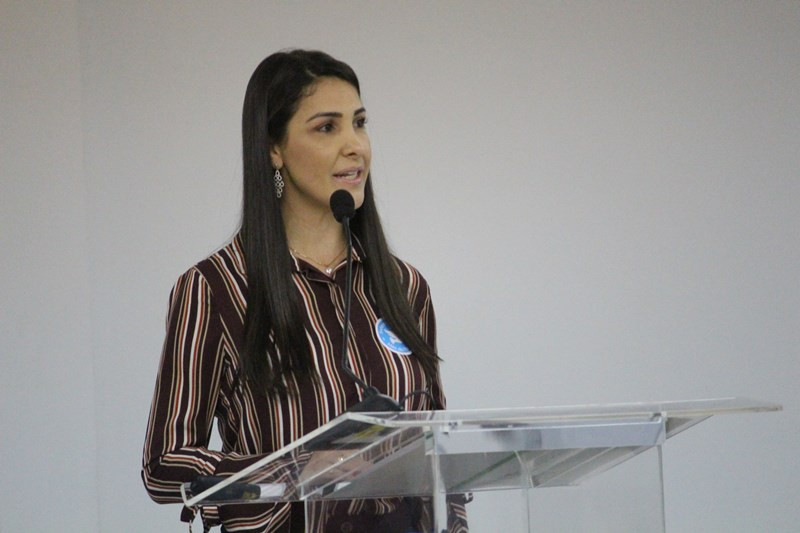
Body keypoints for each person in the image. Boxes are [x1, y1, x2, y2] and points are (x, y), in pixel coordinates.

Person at [141, 50, 467, 532]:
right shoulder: (214, 288)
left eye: (360, 123)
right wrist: (298, 472)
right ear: (274, 148)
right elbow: (165, 465)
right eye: (327, 128)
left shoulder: (404, 286)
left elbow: (438, 452)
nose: (355, 146)